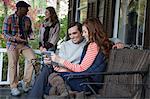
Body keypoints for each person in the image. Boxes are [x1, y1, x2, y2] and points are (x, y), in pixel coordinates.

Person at [29, 22, 86, 98]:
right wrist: (51, 61)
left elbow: (81, 66)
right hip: (59, 68)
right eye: (70, 34)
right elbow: (59, 60)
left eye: (74, 33)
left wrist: (63, 67)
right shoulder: (65, 45)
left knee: (46, 76)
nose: (72, 37)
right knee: (47, 67)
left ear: (81, 32)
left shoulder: (86, 46)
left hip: (71, 72)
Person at [2, 1, 36, 96]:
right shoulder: (9, 19)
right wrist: (14, 38)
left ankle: (26, 83)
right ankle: (14, 87)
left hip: (24, 44)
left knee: (33, 59)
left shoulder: (27, 19)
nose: (28, 10)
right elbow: (4, 34)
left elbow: (29, 31)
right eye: (26, 8)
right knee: (13, 64)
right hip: (12, 44)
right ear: (20, 8)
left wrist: (31, 35)